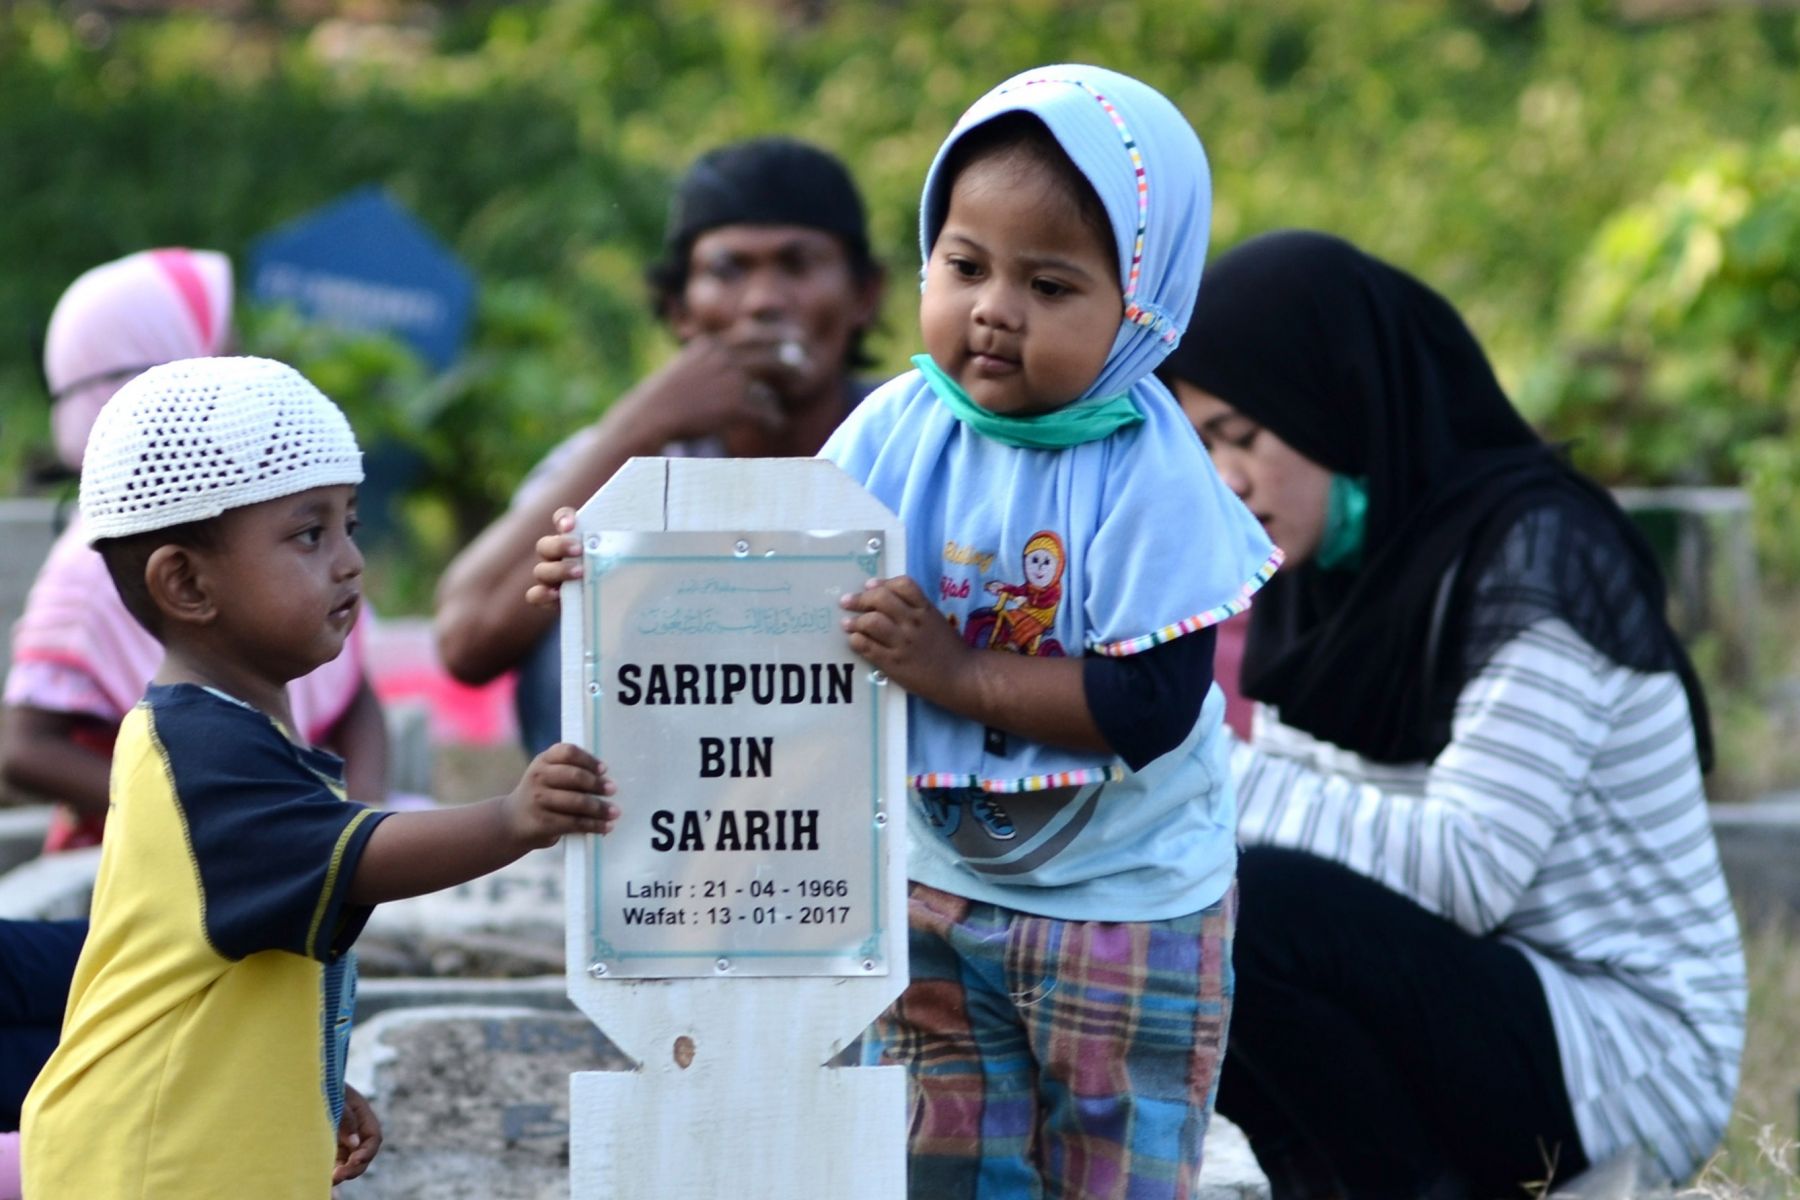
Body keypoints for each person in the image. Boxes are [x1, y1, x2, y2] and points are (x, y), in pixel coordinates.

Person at [1158, 230, 1747, 1197]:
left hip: (1627, 1053)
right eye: (1204, 444)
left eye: (1243, 435)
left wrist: (1200, 766)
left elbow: (1466, 869)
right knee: (1197, 904)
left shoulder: (1536, 558)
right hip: (1484, 1005)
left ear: (1334, 397)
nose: (1226, 478)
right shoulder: (1324, 578)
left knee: (1250, 903)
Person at [820, 65, 1276, 1197]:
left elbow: (1147, 708)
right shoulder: (897, 427)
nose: (994, 308)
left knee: (1110, 1168)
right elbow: (780, 566)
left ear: (1144, 308)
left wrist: (955, 670)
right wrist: (616, 563)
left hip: (1124, 909)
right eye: (965, 265)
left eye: (1052, 285)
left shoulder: (1150, 471)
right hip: (932, 884)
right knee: (941, 1165)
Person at [20, 357, 621, 1199]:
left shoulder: (227, 728)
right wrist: (511, 818)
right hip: (149, 1165)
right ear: (186, 583)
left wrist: (311, 1070)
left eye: (350, 525)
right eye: (310, 534)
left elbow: (227, 973)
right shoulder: (204, 748)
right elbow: (365, 851)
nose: (349, 562)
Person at [435, 136, 886, 754]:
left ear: (865, 295)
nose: (763, 302)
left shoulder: (905, 442)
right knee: (570, 607)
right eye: (729, 270)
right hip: (667, 812)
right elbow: (464, 641)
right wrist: (639, 425)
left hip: (860, 795)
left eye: (797, 264)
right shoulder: (641, 453)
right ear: (680, 311)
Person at [3, 248, 393, 851]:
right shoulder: (91, 565)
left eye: (350, 527)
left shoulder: (280, 525)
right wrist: (194, 810)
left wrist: (362, 815)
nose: (351, 559)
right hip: (154, 861)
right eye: (223, 351)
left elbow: (355, 697)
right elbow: (22, 749)